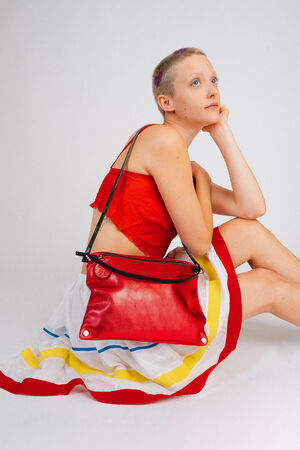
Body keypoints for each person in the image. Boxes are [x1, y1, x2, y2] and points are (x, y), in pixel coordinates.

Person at [1, 47, 299, 405]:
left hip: (134, 282)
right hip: (116, 297)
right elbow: (200, 244)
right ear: (167, 101)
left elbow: (252, 207)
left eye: (214, 80)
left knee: (247, 231)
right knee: (268, 285)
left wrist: (223, 133)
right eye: (196, 82)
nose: (212, 90)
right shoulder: (162, 141)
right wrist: (201, 181)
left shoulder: (170, 152)